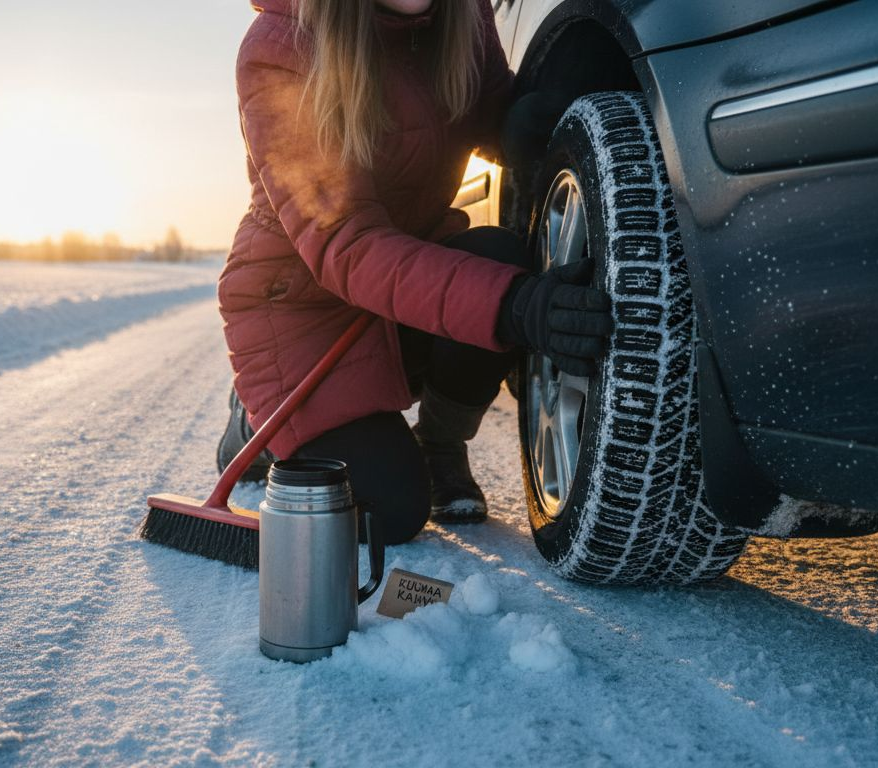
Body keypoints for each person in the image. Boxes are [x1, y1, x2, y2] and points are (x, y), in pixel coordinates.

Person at [217, 0, 612, 544]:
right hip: (305, 305)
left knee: (496, 258)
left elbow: (483, 110)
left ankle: (441, 443)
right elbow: (346, 246)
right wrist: (515, 305)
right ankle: (256, 425)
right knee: (389, 510)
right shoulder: (281, 48)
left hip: (408, 272)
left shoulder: (461, 15)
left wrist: (519, 124)